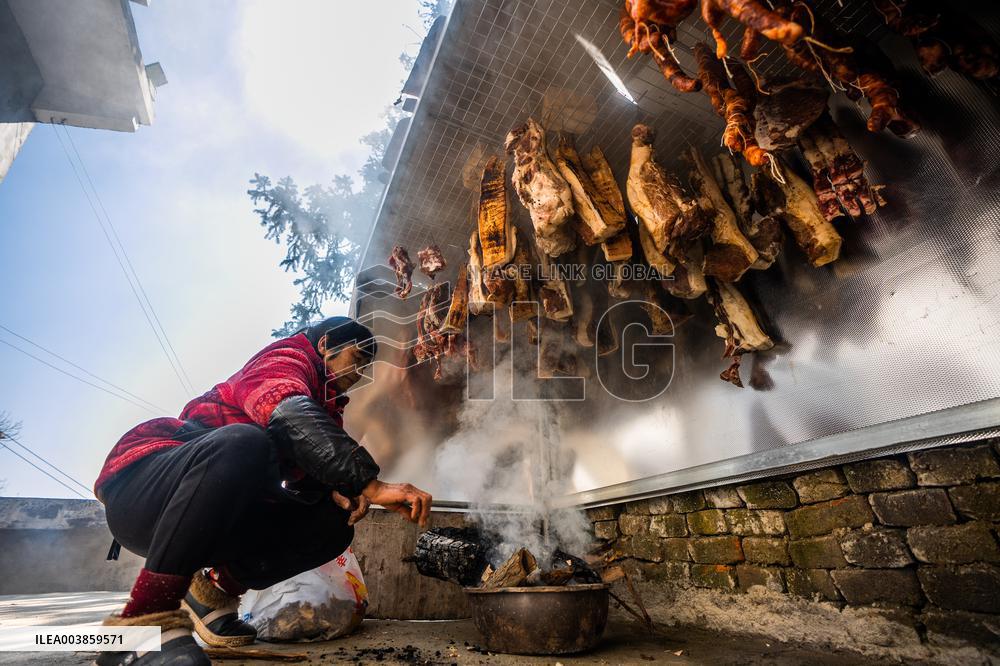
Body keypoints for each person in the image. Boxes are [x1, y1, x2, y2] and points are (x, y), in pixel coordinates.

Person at [92, 316, 432, 666]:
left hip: (216, 522)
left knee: (334, 520)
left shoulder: (327, 414)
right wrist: (369, 484)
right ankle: (142, 623)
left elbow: (313, 471)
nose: (359, 373)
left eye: (365, 367)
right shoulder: (285, 360)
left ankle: (214, 593)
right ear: (326, 344)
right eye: (356, 358)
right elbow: (287, 413)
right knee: (244, 442)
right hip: (143, 494)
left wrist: (344, 490)